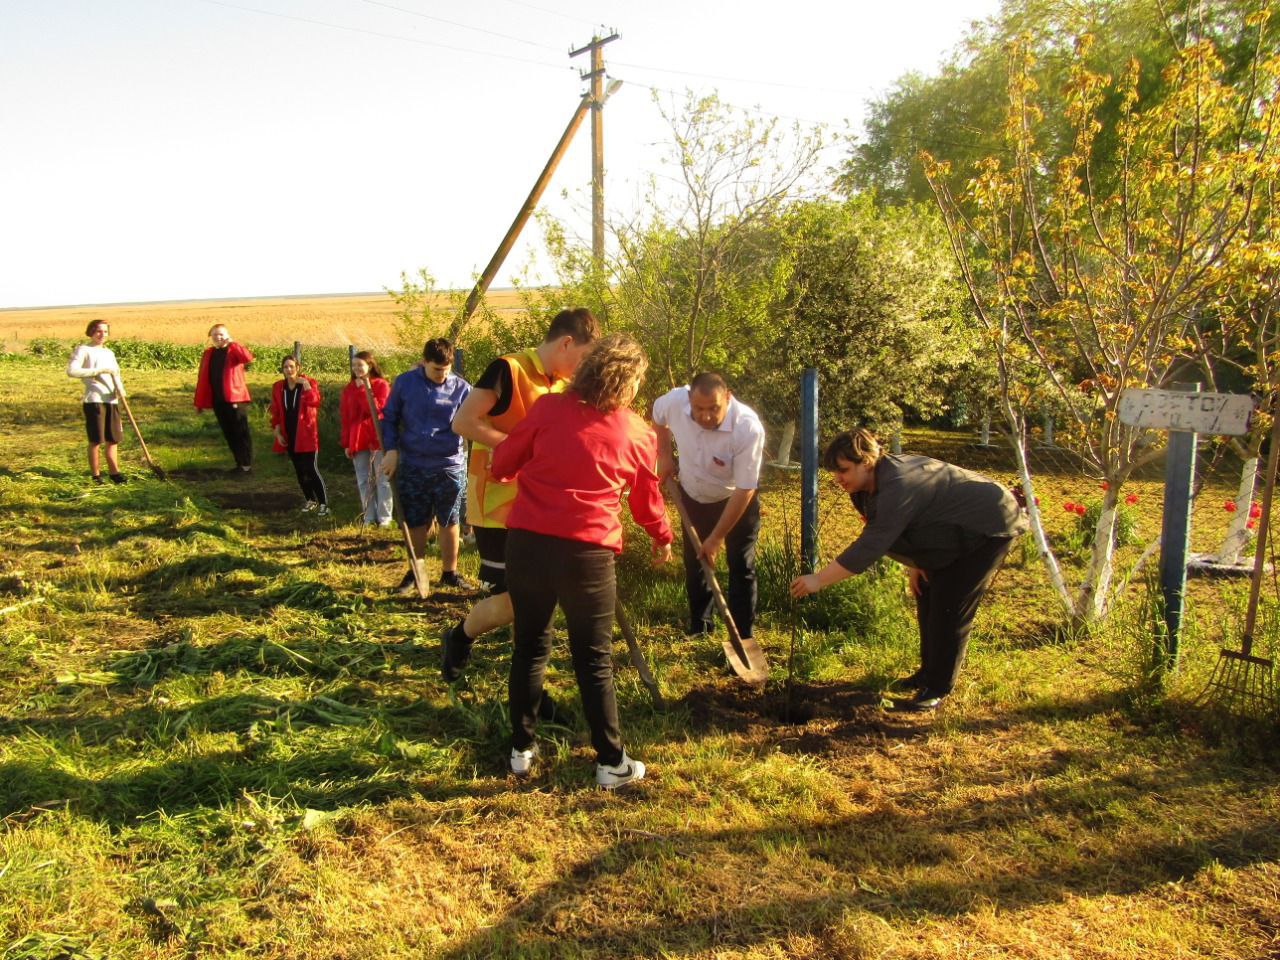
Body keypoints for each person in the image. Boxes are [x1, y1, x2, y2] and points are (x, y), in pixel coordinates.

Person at [491, 333, 673, 789]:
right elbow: (646, 501)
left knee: (529, 646)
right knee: (593, 660)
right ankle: (611, 763)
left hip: (528, 543)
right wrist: (661, 538)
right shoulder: (636, 430)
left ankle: (520, 750)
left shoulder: (549, 408)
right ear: (628, 383)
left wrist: (527, 468)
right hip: (586, 554)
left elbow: (502, 463)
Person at [789, 429, 1028, 711]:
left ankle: (938, 687)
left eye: (843, 470)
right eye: (834, 472)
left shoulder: (897, 484)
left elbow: (872, 543)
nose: (837, 478)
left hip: (990, 523)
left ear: (866, 461)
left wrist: (818, 580)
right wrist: (918, 562)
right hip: (952, 529)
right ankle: (927, 674)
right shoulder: (865, 487)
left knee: (949, 605)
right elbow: (906, 525)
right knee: (927, 592)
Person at [440, 308, 600, 680]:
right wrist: (519, 447)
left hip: (541, 507)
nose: (582, 369)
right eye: (583, 358)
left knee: (537, 598)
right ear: (566, 343)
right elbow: (463, 422)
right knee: (516, 601)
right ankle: (460, 636)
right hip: (497, 505)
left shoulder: (562, 386)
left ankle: (528, 679)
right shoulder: (507, 369)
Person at [653, 372, 766, 644]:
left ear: (727, 397)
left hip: (734, 501)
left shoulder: (747, 427)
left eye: (713, 408)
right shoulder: (675, 402)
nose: (705, 416)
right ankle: (700, 627)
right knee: (696, 563)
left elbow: (745, 488)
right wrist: (665, 456)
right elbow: (658, 418)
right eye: (698, 408)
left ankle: (742, 635)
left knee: (741, 564)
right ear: (690, 399)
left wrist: (716, 538)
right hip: (692, 496)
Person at [381, 338, 472, 592]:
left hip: (449, 465)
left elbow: (475, 422)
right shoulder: (405, 383)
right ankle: (416, 573)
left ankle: (449, 573)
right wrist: (391, 451)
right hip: (413, 464)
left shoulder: (463, 389)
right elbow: (389, 418)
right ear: (424, 362)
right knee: (416, 521)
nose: (442, 376)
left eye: (446, 370)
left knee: (450, 520)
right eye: (436, 370)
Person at [66, 319, 127, 485]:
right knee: (96, 439)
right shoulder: (83, 350)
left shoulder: (109, 353)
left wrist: (120, 390)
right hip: (94, 400)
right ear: (91, 332)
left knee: (113, 438)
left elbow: (116, 374)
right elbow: (71, 371)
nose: (102, 334)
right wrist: (97, 371)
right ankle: (96, 476)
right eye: (99, 331)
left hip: (111, 399)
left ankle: (115, 473)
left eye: (105, 332)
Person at [339, 351, 393, 527]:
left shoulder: (381, 385)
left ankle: (384, 518)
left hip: (377, 437)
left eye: (360, 365)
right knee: (364, 479)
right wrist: (346, 442)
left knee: (382, 479)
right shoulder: (349, 389)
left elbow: (378, 411)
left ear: (369, 366)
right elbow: (346, 417)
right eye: (354, 365)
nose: (356, 368)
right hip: (358, 438)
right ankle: (369, 517)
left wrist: (364, 389)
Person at [269, 355, 328, 516]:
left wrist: (307, 385)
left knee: (310, 468)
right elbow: (275, 411)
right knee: (299, 470)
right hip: (289, 434)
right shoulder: (278, 387)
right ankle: (310, 499)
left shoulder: (308, 383)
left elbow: (314, 401)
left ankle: (323, 503)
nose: (289, 370)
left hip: (306, 434)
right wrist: (277, 431)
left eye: (291, 366)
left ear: (298, 367)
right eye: (285, 367)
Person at [194, 324, 254, 474]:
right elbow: (203, 377)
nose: (218, 338)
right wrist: (200, 402)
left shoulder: (233, 350)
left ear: (227, 335)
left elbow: (247, 358)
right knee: (229, 433)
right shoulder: (209, 353)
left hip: (235, 399)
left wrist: (233, 343)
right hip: (218, 400)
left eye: (221, 334)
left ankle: (246, 465)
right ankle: (239, 463)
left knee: (240, 432)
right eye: (214, 335)